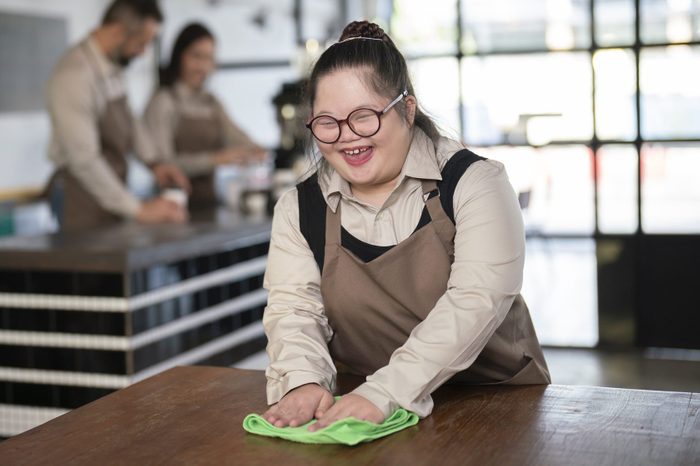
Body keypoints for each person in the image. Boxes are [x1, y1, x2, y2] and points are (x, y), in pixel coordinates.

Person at [261, 21, 551, 431]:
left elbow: (474, 302)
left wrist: (386, 393)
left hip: (495, 405)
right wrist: (303, 381)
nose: (347, 138)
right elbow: (295, 309)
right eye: (327, 122)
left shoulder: (474, 184)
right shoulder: (300, 208)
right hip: (361, 408)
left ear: (407, 109)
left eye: (364, 116)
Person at [46, 0, 190, 232]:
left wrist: (155, 164)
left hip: (111, 194)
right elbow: (84, 160)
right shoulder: (74, 76)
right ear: (116, 31)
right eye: (140, 43)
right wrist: (139, 210)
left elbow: (129, 122)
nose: (142, 53)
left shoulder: (111, 68)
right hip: (79, 197)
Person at [144, 23, 266, 208]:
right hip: (171, 205)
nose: (202, 66)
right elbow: (164, 164)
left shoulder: (211, 103)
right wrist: (215, 160)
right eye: (196, 56)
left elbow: (237, 137)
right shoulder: (164, 101)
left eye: (208, 59)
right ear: (179, 56)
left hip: (209, 205)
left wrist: (255, 150)